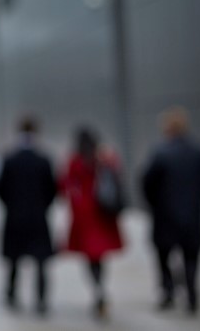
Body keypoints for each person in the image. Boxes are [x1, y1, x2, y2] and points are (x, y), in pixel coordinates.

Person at [142, 107, 200, 313]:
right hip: (192, 214)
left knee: (163, 255)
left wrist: (155, 204)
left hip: (165, 215)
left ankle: (168, 291)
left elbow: (147, 184)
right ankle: (192, 293)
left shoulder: (159, 153)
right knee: (191, 256)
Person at [0, 116, 56, 314]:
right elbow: (52, 189)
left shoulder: (9, 159)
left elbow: (0, 187)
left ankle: (11, 294)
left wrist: (11, 205)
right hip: (38, 217)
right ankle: (41, 300)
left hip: (15, 216)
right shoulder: (43, 160)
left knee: (13, 259)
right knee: (41, 262)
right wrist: (42, 206)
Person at [60, 127, 124, 319]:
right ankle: (100, 287)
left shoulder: (75, 160)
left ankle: (97, 288)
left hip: (84, 214)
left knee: (90, 257)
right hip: (102, 213)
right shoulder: (104, 157)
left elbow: (65, 185)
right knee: (99, 256)